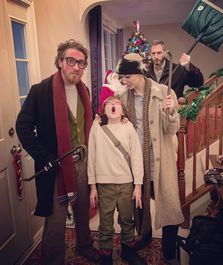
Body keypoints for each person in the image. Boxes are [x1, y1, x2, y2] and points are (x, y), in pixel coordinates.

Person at [15, 39, 100, 264]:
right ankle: (53, 259)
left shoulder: (85, 90)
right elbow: (23, 126)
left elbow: (85, 125)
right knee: (56, 217)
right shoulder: (40, 91)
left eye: (81, 63)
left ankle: (85, 245)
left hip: (83, 161)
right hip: (56, 165)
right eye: (71, 61)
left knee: (83, 209)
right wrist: (44, 157)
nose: (77, 67)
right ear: (60, 61)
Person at [116, 53, 184, 265]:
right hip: (137, 164)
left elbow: (172, 128)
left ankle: (169, 251)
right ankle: (144, 238)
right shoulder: (124, 97)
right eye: (122, 77)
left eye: (127, 77)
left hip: (160, 162)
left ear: (139, 73)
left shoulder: (164, 92)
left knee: (169, 206)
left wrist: (171, 110)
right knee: (139, 206)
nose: (124, 81)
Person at [88, 96, 147, 265]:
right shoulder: (97, 127)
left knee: (127, 220)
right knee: (106, 223)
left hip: (126, 184)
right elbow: (91, 156)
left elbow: (136, 157)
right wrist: (93, 186)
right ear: (104, 109)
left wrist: (137, 186)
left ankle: (128, 251)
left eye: (117, 104)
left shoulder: (128, 127)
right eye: (109, 104)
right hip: (104, 185)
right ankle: (106, 255)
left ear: (122, 110)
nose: (113, 106)